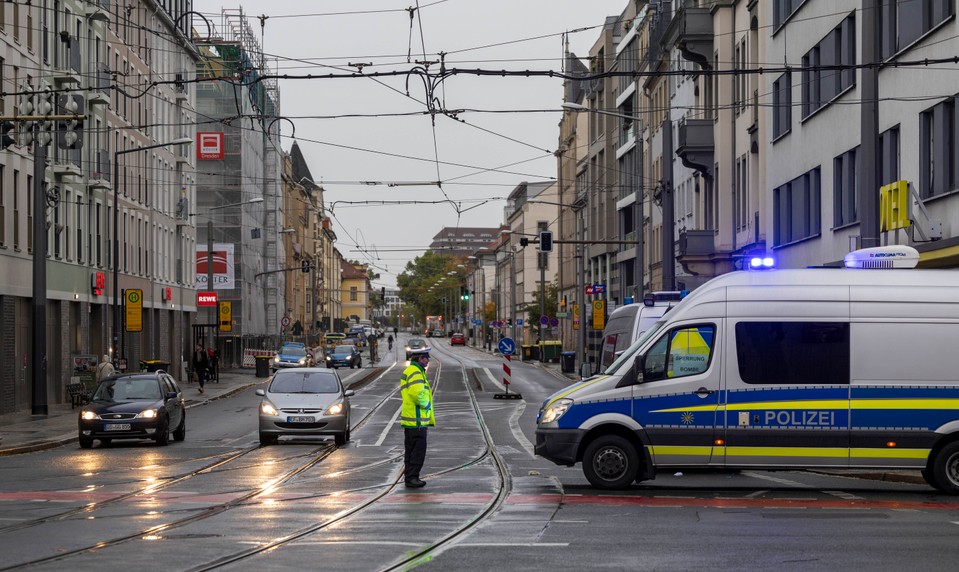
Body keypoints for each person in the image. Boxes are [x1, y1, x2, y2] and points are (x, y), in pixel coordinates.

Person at [400, 347, 435, 488]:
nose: (428, 361)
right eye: (426, 358)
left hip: (410, 418)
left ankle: (409, 476)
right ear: (420, 359)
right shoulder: (416, 373)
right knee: (418, 450)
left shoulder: (410, 370)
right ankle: (413, 477)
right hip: (417, 419)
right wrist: (426, 406)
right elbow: (417, 394)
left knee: (410, 449)